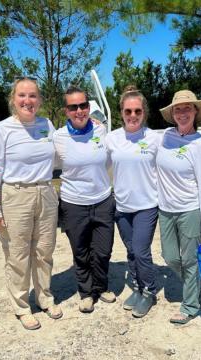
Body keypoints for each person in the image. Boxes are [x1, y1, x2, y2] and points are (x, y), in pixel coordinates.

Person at [0, 77, 62, 330]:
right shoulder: (2, 130)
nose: (27, 101)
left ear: (39, 100)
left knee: (44, 251)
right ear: (13, 99)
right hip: (15, 196)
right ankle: (21, 306)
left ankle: (44, 297)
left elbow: (64, 145)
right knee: (17, 254)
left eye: (32, 96)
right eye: (22, 96)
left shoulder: (46, 125)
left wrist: (90, 126)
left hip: (46, 192)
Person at [54, 86, 116, 313]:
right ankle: (86, 293)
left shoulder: (102, 131)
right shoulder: (58, 137)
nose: (79, 110)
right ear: (66, 110)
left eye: (83, 105)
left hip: (102, 200)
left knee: (102, 251)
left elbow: (110, 160)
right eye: (73, 107)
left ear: (89, 107)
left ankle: (101, 286)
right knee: (80, 252)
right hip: (73, 204)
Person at [156, 90, 201, 325]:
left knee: (190, 260)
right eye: (177, 109)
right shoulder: (165, 136)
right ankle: (197, 285)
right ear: (172, 113)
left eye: (187, 108)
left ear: (196, 112)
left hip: (189, 210)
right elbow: (137, 133)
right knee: (169, 257)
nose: (182, 113)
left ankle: (190, 305)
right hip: (165, 209)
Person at [105, 86, 160, 318]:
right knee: (130, 251)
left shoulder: (156, 138)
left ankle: (149, 292)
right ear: (121, 112)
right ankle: (136, 287)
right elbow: (100, 166)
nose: (133, 115)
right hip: (122, 206)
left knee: (141, 250)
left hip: (147, 205)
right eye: (128, 111)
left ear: (144, 112)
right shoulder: (112, 139)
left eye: (137, 110)